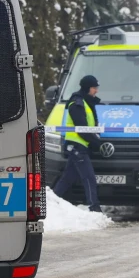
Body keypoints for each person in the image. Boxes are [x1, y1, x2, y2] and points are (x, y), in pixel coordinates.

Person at [54, 74, 102, 213]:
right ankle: (94, 208)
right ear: (88, 88)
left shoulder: (86, 102)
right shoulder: (77, 103)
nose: (96, 91)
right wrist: (96, 143)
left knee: (67, 179)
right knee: (89, 177)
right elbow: (82, 128)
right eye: (94, 88)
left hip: (80, 145)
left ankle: (52, 201)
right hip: (77, 146)